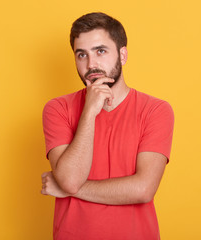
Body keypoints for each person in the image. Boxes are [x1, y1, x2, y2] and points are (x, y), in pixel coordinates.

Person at [41, 12, 174, 240]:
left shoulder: (156, 110)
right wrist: (90, 111)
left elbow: (143, 189)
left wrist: (68, 188)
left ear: (122, 55)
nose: (91, 64)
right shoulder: (58, 109)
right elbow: (71, 178)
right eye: (81, 55)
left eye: (100, 51)